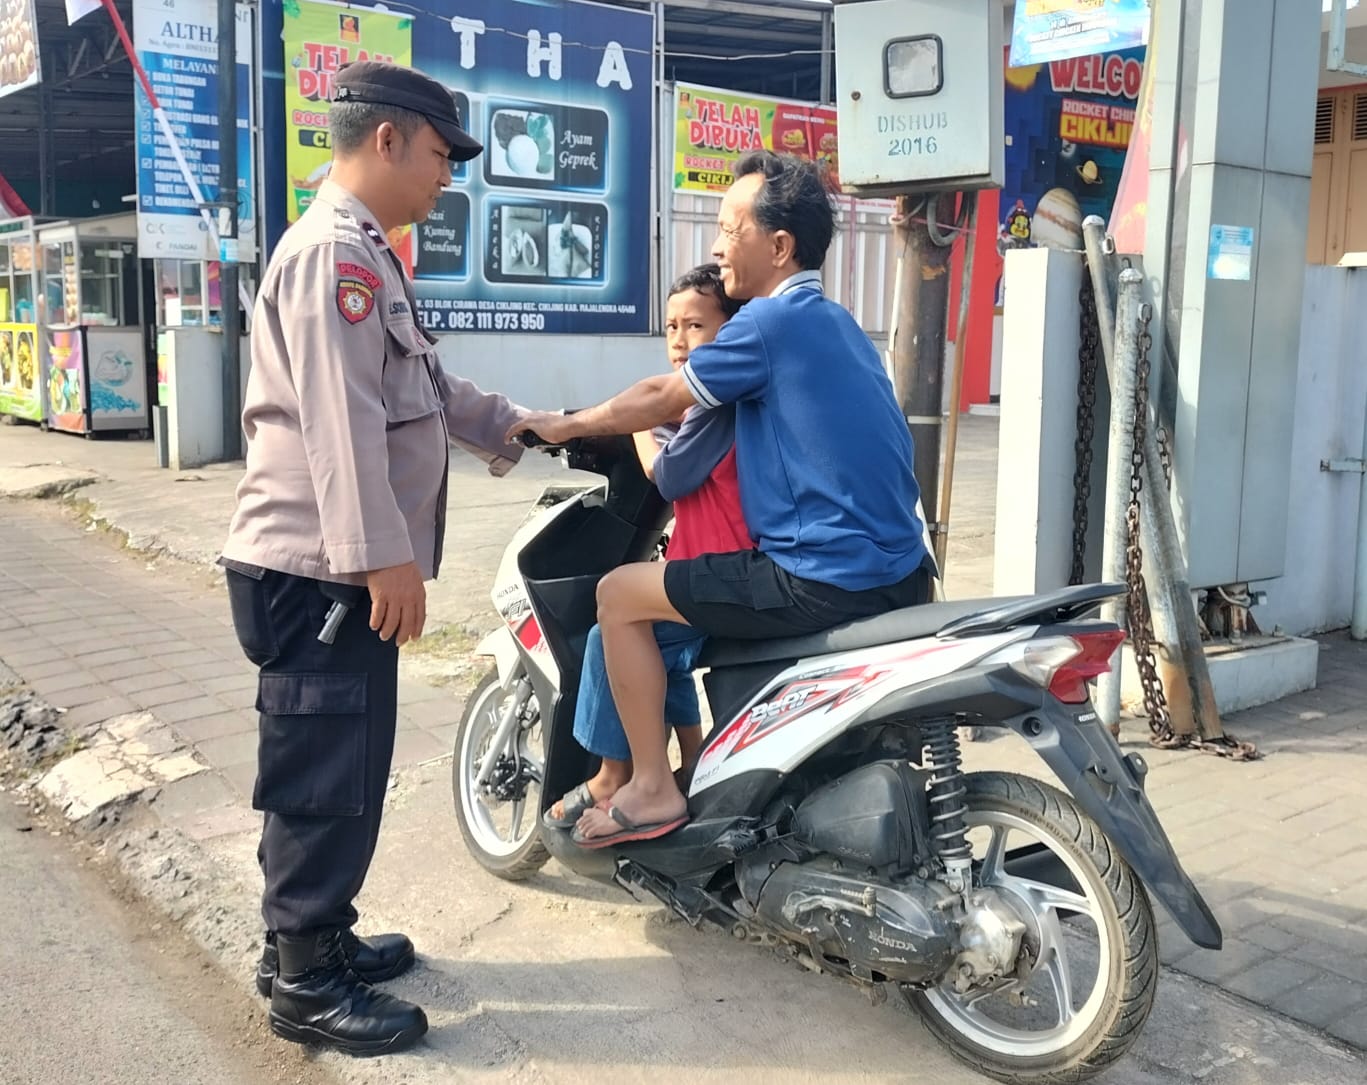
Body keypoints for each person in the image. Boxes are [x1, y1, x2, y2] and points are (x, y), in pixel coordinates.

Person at [220, 60, 528, 1055]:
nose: (447, 177)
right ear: (387, 139)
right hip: (320, 567)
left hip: (330, 565)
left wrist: (532, 426)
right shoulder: (334, 259)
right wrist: (381, 557)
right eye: (440, 155)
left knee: (340, 761)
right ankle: (305, 980)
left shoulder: (366, 254)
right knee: (322, 771)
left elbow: (425, 391)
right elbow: (341, 424)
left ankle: (311, 936)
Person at [511, 151, 933, 849]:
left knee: (617, 595)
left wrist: (567, 423)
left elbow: (661, 399)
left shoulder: (766, 324)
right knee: (656, 613)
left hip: (817, 578)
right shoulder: (841, 326)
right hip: (899, 571)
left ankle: (649, 787)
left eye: (730, 229)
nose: (715, 246)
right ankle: (677, 770)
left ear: (779, 246)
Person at [545, 264, 748, 829]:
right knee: (659, 640)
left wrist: (637, 426)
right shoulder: (717, 397)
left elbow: (664, 473)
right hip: (706, 560)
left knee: (608, 633)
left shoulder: (714, 401)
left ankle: (615, 775)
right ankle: (692, 758)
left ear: (730, 329)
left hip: (723, 568)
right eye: (671, 327)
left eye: (696, 326)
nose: (680, 340)